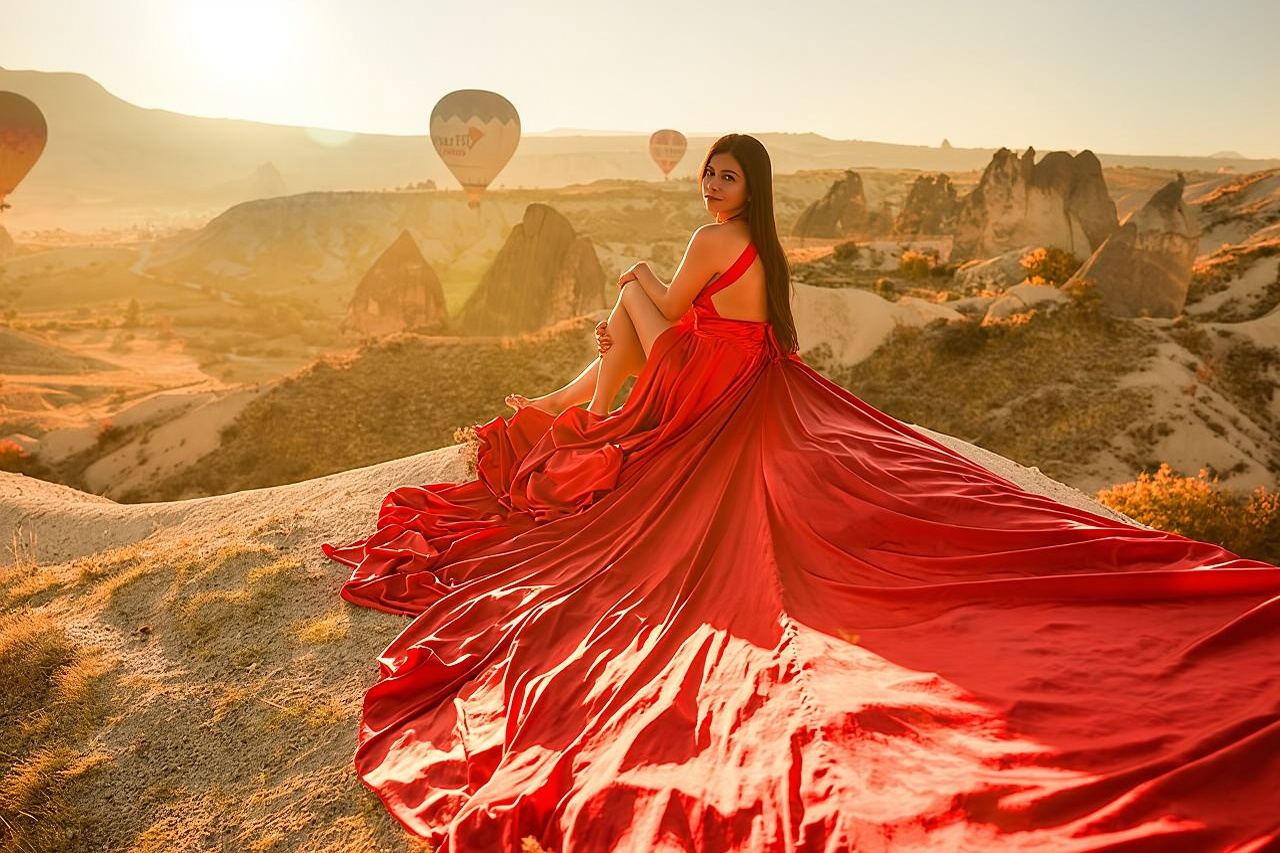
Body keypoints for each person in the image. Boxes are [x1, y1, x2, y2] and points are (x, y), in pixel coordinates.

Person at [321, 134, 1280, 853]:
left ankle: (569, 417)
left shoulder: (711, 236)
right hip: (740, 371)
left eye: (727, 176)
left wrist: (638, 272)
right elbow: (740, 324)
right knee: (626, 311)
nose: (712, 184)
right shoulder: (766, 247)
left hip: (703, 377)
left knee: (625, 289)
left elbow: (673, 304)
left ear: (750, 188)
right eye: (708, 172)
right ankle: (572, 411)